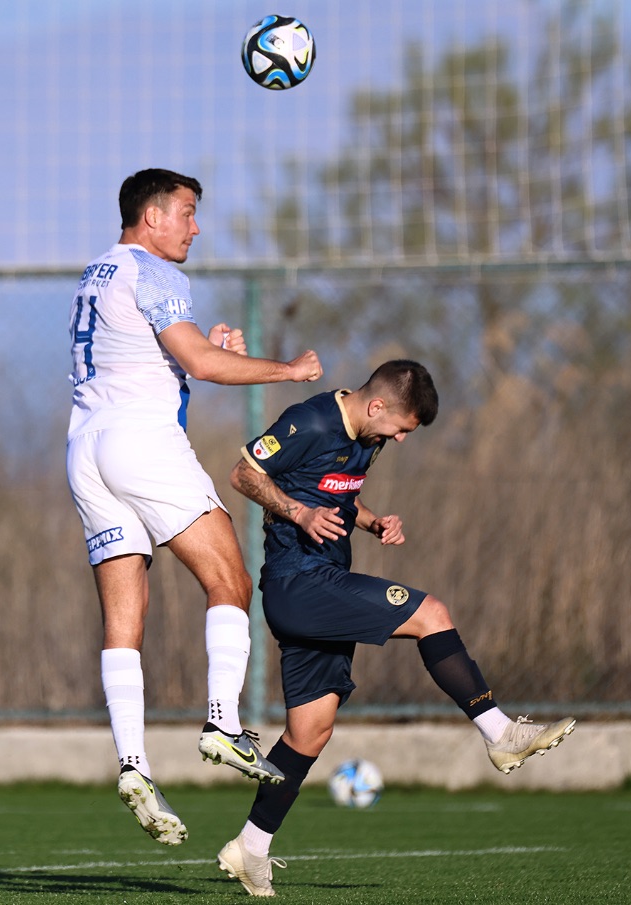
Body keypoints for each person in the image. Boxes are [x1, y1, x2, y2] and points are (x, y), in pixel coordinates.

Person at [216, 359, 576, 896]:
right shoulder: (311, 421)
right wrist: (298, 514)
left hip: (322, 583)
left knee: (310, 732)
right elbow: (243, 473)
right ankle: (500, 733)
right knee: (432, 614)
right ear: (377, 405)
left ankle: (250, 847)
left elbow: (336, 492)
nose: (401, 439)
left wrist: (371, 520)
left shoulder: (369, 436)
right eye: (401, 428)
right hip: (299, 583)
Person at [65, 168, 325, 845]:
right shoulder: (155, 271)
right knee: (230, 581)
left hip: (86, 447)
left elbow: (155, 364)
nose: (195, 226)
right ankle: (222, 722)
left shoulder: (96, 273)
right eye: (186, 212)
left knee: (124, 620)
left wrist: (200, 354)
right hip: (142, 443)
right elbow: (202, 365)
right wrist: (287, 370)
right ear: (151, 216)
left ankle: (133, 765)